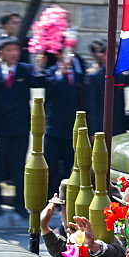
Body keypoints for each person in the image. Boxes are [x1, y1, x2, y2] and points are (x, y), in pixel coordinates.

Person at [0, 37, 43, 217]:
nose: (13, 53)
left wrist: (40, 65)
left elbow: (39, 81)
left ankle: (20, 204)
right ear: (1, 53)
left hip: (20, 126)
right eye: (9, 50)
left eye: (16, 50)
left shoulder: (25, 70)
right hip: (1, 127)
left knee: (20, 166)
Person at [39, 48, 85, 197]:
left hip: (72, 127)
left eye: (71, 53)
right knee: (51, 163)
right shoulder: (51, 72)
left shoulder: (78, 73)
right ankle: (49, 195)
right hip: (54, 127)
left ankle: (65, 196)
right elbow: (49, 87)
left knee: (68, 165)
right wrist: (60, 72)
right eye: (65, 53)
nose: (69, 56)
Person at [85, 39, 128, 136]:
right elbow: (91, 106)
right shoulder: (94, 76)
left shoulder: (120, 75)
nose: (116, 57)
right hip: (101, 127)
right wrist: (93, 131)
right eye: (114, 53)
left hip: (118, 126)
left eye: (117, 53)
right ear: (103, 55)